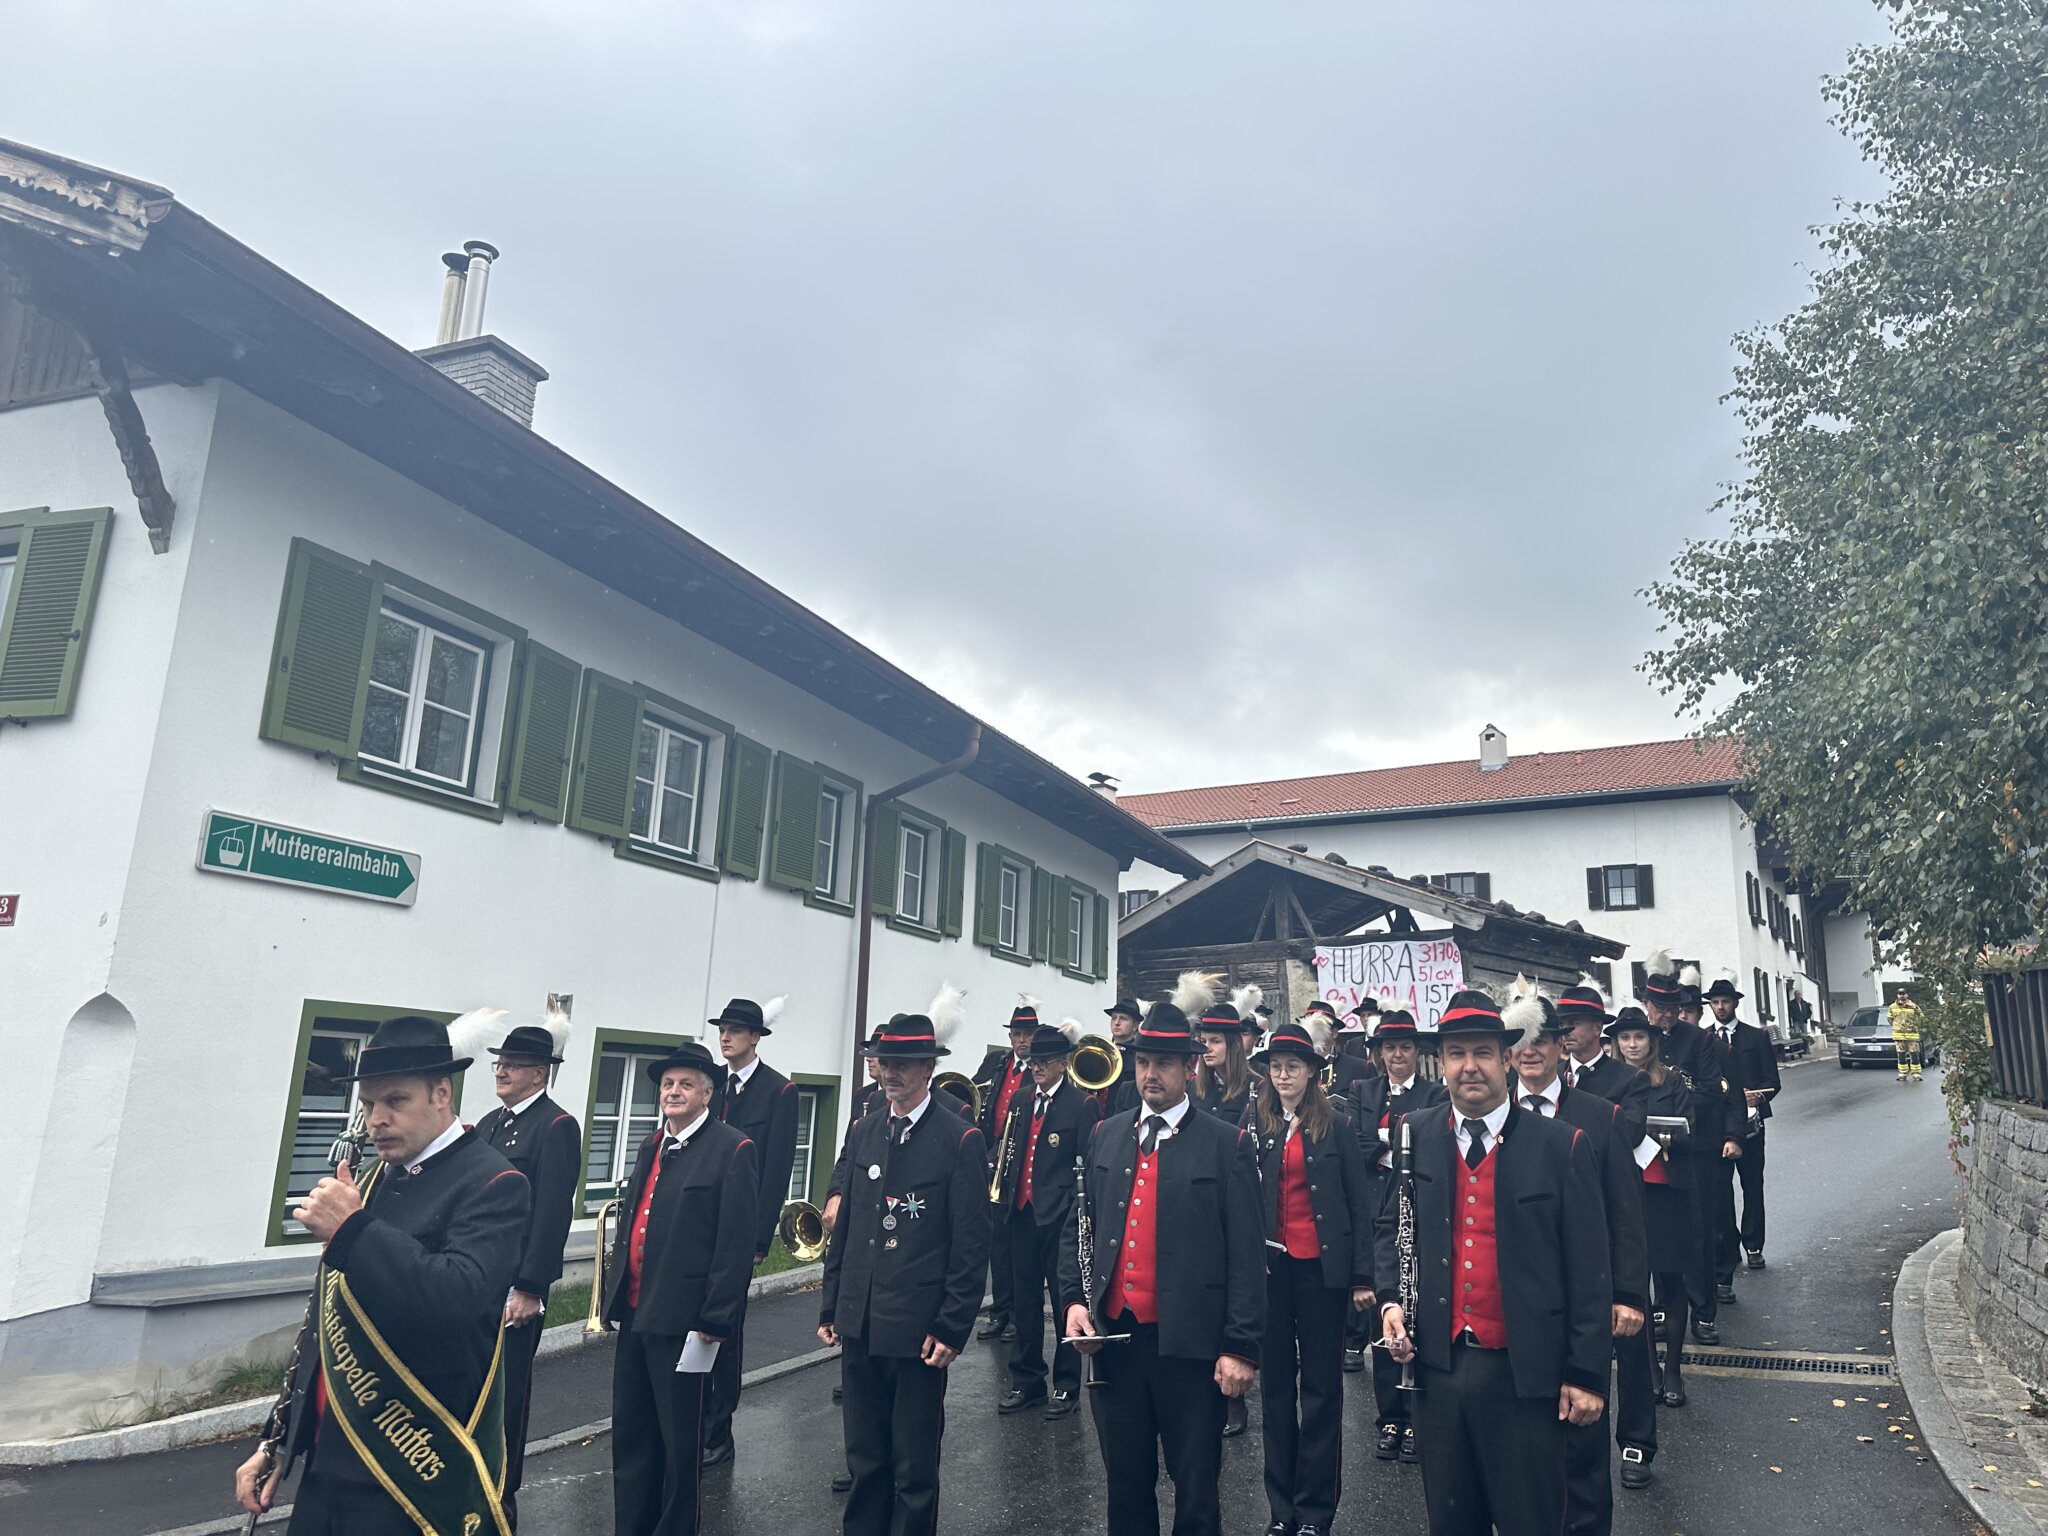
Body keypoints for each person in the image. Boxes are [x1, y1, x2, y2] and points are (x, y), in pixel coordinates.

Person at [234, 1014, 531, 1536]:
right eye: (368, 1104)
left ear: (442, 1093)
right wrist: (278, 1439)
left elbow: (459, 1298)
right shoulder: (370, 1181)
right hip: (329, 1454)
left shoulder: (494, 1181)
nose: (377, 1119)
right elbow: (323, 1322)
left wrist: (351, 1230)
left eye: (395, 1101)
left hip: (414, 1462)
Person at [1378, 990, 1611, 1536]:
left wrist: (1586, 1375)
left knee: (1532, 1521)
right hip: (1438, 1370)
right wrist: (1390, 1301)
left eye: (1483, 1052)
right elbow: (1391, 1227)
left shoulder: (1563, 1145)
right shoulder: (1415, 1132)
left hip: (1525, 1374)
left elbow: (1590, 1271)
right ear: (1441, 1062)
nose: (1470, 1067)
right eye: (1456, 1054)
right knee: (1452, 1522)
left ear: (1507, 1057)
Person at [1062, 999, 1264, 1536]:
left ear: (1189, 1068)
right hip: (1115, 1340)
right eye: (1144, 1061)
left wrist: (1240, 1346)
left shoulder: (1226, 1143)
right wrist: (1075, 1301)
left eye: (1164, 1063)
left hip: (1191, 1348)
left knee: (1195, 1490)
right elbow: (1079, 1228)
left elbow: (1248, 1256)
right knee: (1126, 1487)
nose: (1151, 1073)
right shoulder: (1107, 1133)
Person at [819, 991, 991, 1536]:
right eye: (884, 1061)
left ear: (927, 1069)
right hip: (861, 1320)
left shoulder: (959, 1138)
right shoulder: (865, 1129)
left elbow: (969, 1245)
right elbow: (847, 1230)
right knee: (864, 1458)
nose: (890, 1072)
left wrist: (952, 1325)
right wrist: (833, 1304)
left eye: (902, 1063)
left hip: (918, 1328)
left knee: (914, 1467)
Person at [1508, 989, 1657, 1520]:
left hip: (1587, 1289)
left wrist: (1629, 1293)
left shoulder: (1600, 1116)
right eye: (1521, 1042)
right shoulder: (1494, 1115)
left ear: (1560, 1046)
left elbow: (1626, 1212)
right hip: (1521, 1294)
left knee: (1583, 1432)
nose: (1530, 1051)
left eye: (1542, 1041)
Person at [605, 1041, 759, 1536]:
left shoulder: (732, 1148)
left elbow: (734, 1243)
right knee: (632, 1436)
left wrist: (716, 1317)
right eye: (668, 1084)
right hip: (636, 1311)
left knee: (678, 1445)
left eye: (685, 1084)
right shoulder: (651, 1144)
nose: (673, 1091)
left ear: (707, 1094)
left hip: (686, 1319)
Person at [1248, 1020, 1374, 1536]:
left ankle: (1316, 1512)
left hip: (1322, 1270)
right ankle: (1282, 1510)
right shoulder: (1254, 1121)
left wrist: (1362, 1275)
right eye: (1276, 1067)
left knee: (1321, 1390)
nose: (1283, 1075)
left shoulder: (1337, 1124)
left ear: (1311, 1073)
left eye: (1293, 1067)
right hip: (1271, 1271)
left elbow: (1358, 1202)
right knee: (1276, 1389)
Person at [474, 1009, 583, 1529]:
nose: (501, 1071)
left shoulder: (556, 1126)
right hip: (476, 1278)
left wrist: (531, 1286)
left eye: (513, 1065)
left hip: (515, 1286)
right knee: (474, 1389)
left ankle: (501, 1500)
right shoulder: (490, 1125)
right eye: (500, 1063)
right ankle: (471, 1489)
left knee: (507, 1397)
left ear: (539, 1073)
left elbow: (553, 1211)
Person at [1345, 1008, 1448, 1455]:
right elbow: (1355, 1145)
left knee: (1416, 1309)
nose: (1398, 1055)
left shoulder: (1435, 1093)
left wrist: (1385, 1143)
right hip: (1373, 1214)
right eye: (1390, 1047)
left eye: (1405, 1046)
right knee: (1382, 1309)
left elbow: (1426, 1147)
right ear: (1379, 1053)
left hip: (1416, 1211)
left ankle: (1416, 1416)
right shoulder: (1362, 1090)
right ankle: (1389, 1416)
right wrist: (1395, 1145)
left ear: (1416, 1051)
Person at [703, 996, 799, 1468]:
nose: (725, 1037)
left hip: (740, 1229)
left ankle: (718, 1429)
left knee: (724, 1328)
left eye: (735, 1031)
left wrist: (761, 1238)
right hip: (699, 1224)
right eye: (722, 1029)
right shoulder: (711, 1085)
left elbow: (777, 1169)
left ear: (755, 1038)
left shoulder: (778, 1091)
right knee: (693, 1324)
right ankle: (694, 1418)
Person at [996, 1019, 1101, 1419]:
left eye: (1045, 1060)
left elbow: (1087, 1165)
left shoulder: (1082, 1104)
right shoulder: (1022, 1099)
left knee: (1063, 1304)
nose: (1036, 1066)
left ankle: (1067, 1385)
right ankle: (1027, 1381)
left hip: (1060, 1219)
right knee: (1023, 1303)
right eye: (1034, 1060)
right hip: (1021, 1214)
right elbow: (1009, 1149)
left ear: (1063, 1063)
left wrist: (1074, 1213)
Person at [1640, 953, 1742, 1345]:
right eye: (1660, 1009)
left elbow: (1712, 1090)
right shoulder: (1637, 1038)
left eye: (1673, 1009)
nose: (1667, 1016)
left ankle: (1703, 1313)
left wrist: (1670, 1103)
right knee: (1655, 1235)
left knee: (1697, 1233)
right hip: (1647, 1152)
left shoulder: (1699, 1040)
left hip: (1693, 1149)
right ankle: (1662, 1309)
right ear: (1647, 1005)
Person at [1610, 1008, 1696, 1409]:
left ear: (1652, 1042)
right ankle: (1650, 1368)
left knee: (1672, 1281)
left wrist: (1659, 1135)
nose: (1632, 1045)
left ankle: (1674, 1367)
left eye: (1639, 1037)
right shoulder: (1609, 1082)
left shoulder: (1672, 1079)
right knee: (1635, 1285)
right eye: (1625, 1038)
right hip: (1625, 1193)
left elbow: (1690, 1129)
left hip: (1666, 1192)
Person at [973, 1000, 1042, 1343]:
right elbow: (974, 1093)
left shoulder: (1040, 1068)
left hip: (1020, 1161)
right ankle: (1000, 1312)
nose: (1022, 1040)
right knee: (997, 1246)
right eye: (1017, 1034)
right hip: (991, 1159)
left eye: (1028, 1034)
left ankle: (1018, 1315)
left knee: (1019, 1248)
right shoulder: (997, 1062)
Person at [1705, 975, 1779, 1272]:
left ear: (1735, 1003)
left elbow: (1773, 1081)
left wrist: (1757, 1097)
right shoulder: (1704, 1039)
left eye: (1725, 1001)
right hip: (1718, 1125)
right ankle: (1728, 1245)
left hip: (1751, 1124)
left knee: (1752, 1185)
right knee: (1720, 1190)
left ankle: (1754, 1245)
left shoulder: (1755, 1037)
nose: (1720, 1007)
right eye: (1715, 1002)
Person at [1557, 984, 1649, 1143]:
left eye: (1573, 1023)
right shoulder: (1554, 1074)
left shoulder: (1629, 1078)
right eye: (1561, 1024)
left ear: (1597, 1028)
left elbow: (1630, 1134)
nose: (1565, 1031)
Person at [1102, 997, 1146, 1115]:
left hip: (1125, 1114)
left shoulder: (1139, 1055)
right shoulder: (1102, 1052)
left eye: (1123, 1019)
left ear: (1135, 1026)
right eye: (1114, 1018)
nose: (1116, 1023)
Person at [1889, 989, 1924, 1083]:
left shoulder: (1913, 1006)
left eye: (1903, 993)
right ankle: (1902, 1074)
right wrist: (1897, 1027)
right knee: (1901, 1056)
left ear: (1907, 995)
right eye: (1900, 994)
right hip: (1899, 1036)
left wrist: (1915, 1026)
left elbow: (1921, 1017)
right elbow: (1890, 1019)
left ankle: (1916, 1074)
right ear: (1897, 995)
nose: (1902, 995)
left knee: (1914, 1055)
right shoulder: (1892, 1007)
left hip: (1912, 1035)